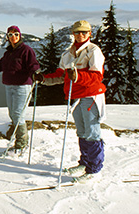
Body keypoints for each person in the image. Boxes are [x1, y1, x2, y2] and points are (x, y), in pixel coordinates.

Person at [34, 20, 106, 183]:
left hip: (91, 96)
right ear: (73, 33)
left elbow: (97, 77)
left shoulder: (93, 51)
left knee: (92, 132)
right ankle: (85, 163)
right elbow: (61, 75)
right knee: (81, 132)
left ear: (90, 34)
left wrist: (79, 76)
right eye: (77, 32)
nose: (81, 35)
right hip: (76, 97)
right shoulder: (68, 54)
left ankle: (94, 170)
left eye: (84, 32)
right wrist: (43, 78)